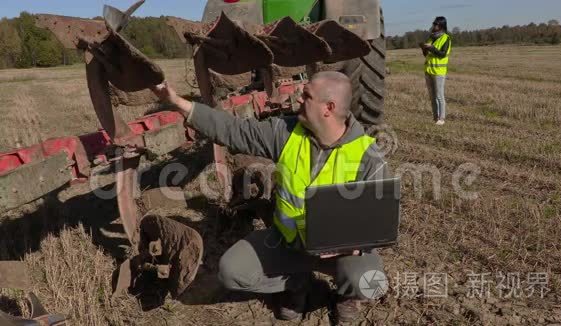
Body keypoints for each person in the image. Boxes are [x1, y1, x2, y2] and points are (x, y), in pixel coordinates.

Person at [151, 71, 388, 323]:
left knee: (369, 282)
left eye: (306, 96)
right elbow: (231, 130)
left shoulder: (367, 155)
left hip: (338, 253)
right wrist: (176, 101)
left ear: (328, 108)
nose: (298, 98)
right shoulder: (285, 132)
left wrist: (356, 246)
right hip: (288, 243)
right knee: (231, 271)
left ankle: (346, 296)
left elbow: (381, 219)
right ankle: (296, 283)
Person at [420, 16, 452, 125]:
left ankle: (441, 118)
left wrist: (431, 48)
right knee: (432, 97)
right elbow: (426, 55)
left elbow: (443, 54)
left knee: (439, 96)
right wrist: (424, 49)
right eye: (433, 23)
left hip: (438, 72)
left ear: (441, 26)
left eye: (436, 24)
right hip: (428, 70)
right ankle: (435, 118)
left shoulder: (446, 38)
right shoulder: (431, 38)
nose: (433, 26)